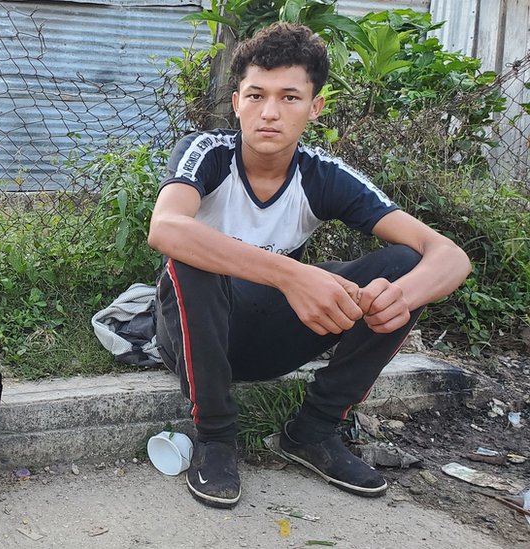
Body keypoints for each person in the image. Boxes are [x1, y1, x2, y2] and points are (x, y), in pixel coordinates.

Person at [147, 22, 471, 509]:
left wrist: (399, 298)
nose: (269, 113)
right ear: (236, 102)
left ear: (315, 107)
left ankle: (313, 431)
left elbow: (448, 255)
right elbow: (166, 228)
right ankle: (215, 438)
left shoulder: (323, 175)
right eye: (255, 96)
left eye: (290, 97)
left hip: (274, 340)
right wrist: (293, 274)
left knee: (405, 266)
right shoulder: (208, 153)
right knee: (193, 257)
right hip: (194, 339)